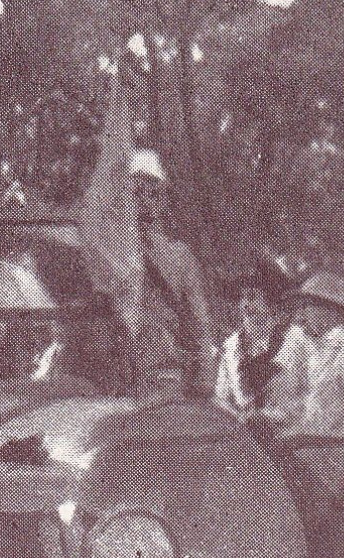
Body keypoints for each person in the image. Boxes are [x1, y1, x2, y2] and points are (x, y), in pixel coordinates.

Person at [129, 150, 217, 398]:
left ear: (163, 201)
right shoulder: (109, 252)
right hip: (115, 376)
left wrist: (205, 379)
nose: (145, 201)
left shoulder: (180, 256)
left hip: (162, 373)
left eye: (154, 193)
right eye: (136, 192)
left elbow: (200, 322)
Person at [215, 252, 310, 431]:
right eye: (241, 298)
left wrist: (272, 417)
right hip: (244, 439)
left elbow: (311, 396)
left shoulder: (295, 341)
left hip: (290, 438)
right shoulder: (231, 347)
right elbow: (221, 399)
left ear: (271, 305)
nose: (244, 306)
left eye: (252, 298)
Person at [284, 272, 344, 438]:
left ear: (331, 310)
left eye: (307, 306)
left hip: (343, 457)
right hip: (314, 454)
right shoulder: (316, 354)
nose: (300, 315)